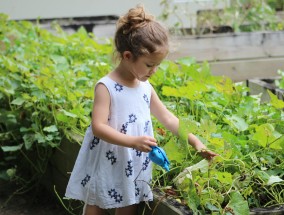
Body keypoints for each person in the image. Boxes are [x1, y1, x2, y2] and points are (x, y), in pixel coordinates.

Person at [65, 5, 217, 215]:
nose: (154, 71)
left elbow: (168, 119)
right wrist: (133, 142)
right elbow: (98, 127)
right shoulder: (106, 87)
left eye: (157, 65)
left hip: (134, 161)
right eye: (149, 65)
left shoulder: (145, 88)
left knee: (130, 203)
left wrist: (196, 142)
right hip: (110, 157)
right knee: (96, 203)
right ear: (127, 56)